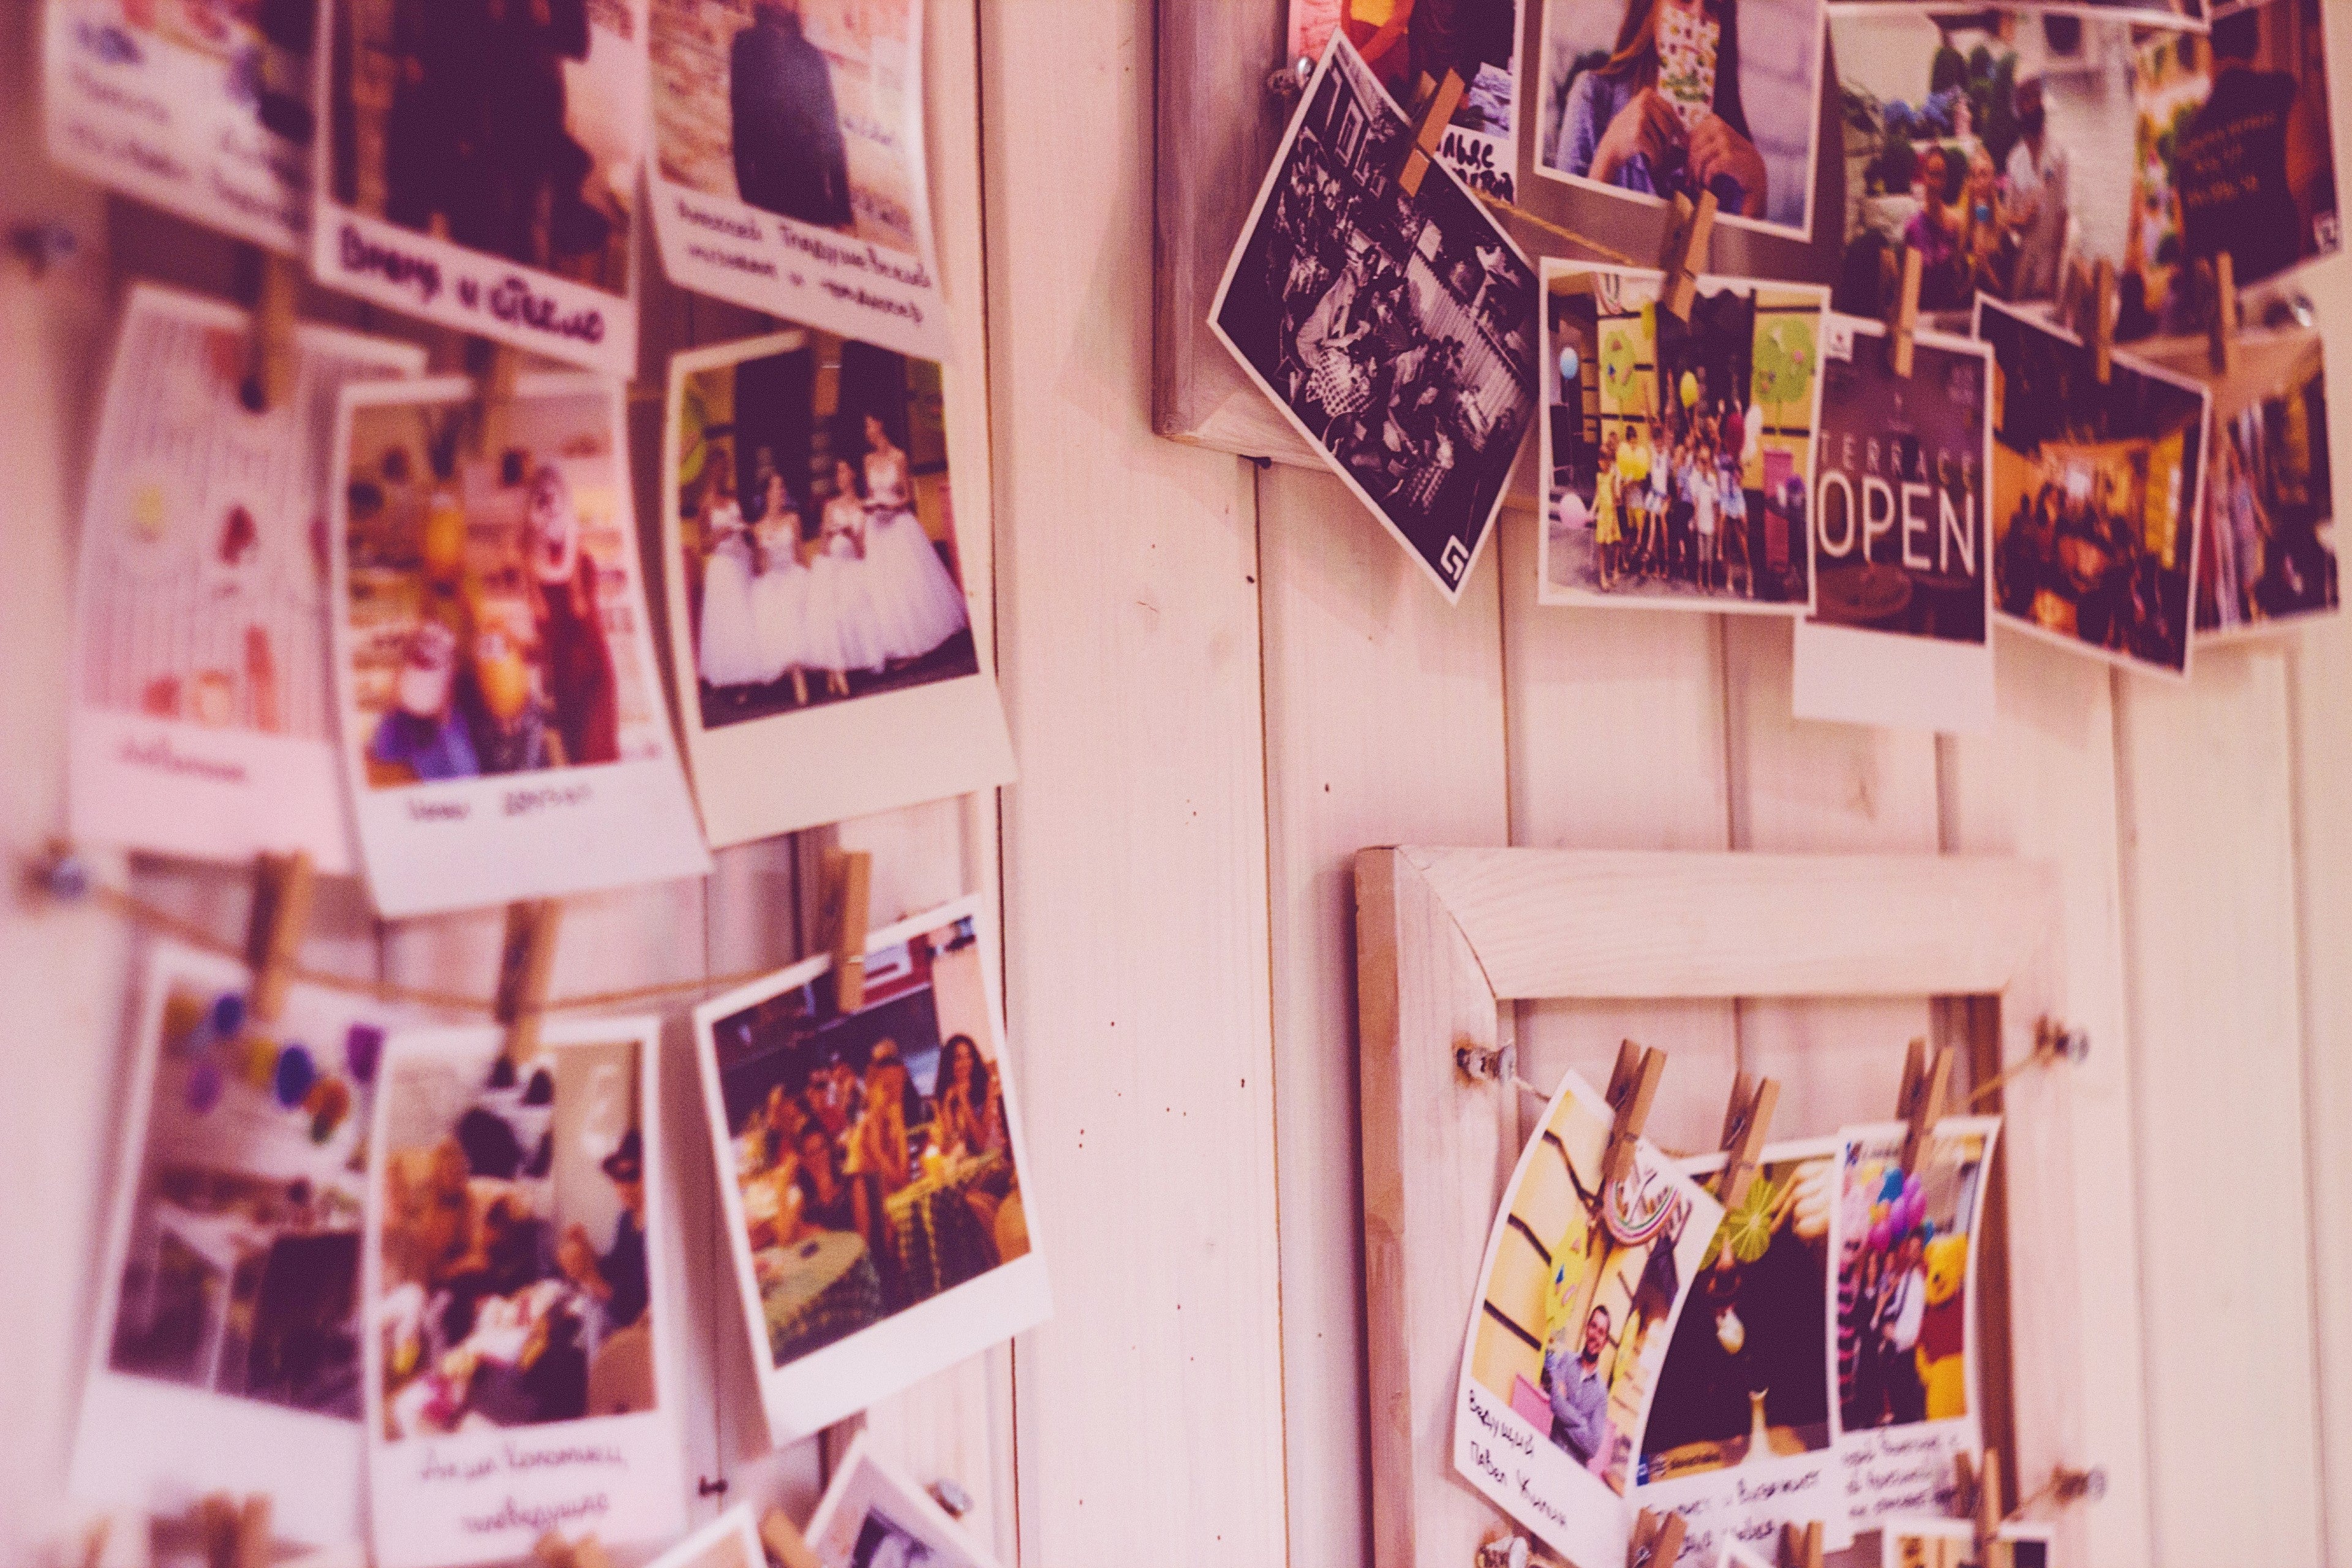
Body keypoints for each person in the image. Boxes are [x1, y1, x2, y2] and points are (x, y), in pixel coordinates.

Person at [1550, 0, 1770, 221]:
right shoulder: (1593, 98)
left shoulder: (1730, 151)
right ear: (1651, 9)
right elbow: (1562, 242)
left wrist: (1756, 194)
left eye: (1713, 6)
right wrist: (1609, 157)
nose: (1698, 15)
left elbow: (1727, 255)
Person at [525, 464, 619, 766]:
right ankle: (579, 756)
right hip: (555, 617)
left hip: (579, 612)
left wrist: (577, 589)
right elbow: (526, 552)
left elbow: (575, 544)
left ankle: (597, 754)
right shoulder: (531, 527)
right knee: (566, 686)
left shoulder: (568, 522)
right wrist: (534, 594)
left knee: (593, 677)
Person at [728, 0, 853, 228]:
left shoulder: (813, 58)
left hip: (812, 193)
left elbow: (830, 133)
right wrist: (747, 191)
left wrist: (842, 210)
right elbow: (741, 124)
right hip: (766, 189)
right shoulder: (745, 46)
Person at [859, 413, 970, 663]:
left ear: (880, 424)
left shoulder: (899, 457)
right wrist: (871, 507)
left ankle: (919, 643)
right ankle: (901, 646)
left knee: (907, 581)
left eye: (868, 425)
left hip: (898, 524)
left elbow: (909, 497)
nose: (867, 431)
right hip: (878, 528)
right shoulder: (868, 460)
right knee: (887, 587)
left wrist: (892, 506)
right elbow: (871, 493)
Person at [557, 1128, 650, 1335]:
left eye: (632, 1176)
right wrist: (587, 1252)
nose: (623, 1187)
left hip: (639, 1332)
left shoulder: (658, 1229)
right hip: (617, 1319)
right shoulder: (627, 1218)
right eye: (618, 1178)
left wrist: (592, 1280)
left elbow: (634, 1309)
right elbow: (617, 1266)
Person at [369, 620, 481, 783]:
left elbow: (467, 776)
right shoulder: (405, 719)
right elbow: (384, 751)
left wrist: (444, 721)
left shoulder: (460, 719)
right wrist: (394, 704)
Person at [807, 458, 883, 690]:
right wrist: (830, 536)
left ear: (853, 474)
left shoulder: (863, 506)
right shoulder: (830, 507)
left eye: (843, 471)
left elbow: (863, 552)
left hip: (855, 564)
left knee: (857, 602)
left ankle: (853, 664)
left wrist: (851, 536)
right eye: (837, 472)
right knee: (833, 605)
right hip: (834, 565)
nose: (839, 476)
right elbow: (823, 550)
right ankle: (837, 667)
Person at [696, 470, 766, 691]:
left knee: (746, 616)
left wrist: (746, 530)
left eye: (725, 468)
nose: (722, 475)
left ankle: (749, 675)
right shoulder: (705, 505)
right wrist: (718, 536)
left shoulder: (733, 498)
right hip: (723, 564)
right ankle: (729, 676)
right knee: (728, 621)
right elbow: (703, 545)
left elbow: (744, 526)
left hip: (741, 560)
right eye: (718, 468)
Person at [2001, 78, 2068, 301]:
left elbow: (2063, 215)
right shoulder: (2015, 159)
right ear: (2019, 107)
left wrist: (2053, 270)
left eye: (2037, 96)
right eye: (2027, 99)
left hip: (2051, 258)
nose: (2034, 104)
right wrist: (2021, 220)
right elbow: (2007, 216)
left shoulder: (2058, 154)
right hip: (2024, 257)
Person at [750, 475, 815, 705]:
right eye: (778, 487)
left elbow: (801, 556)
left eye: (783, 487)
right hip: (772, 581)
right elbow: (759, 569)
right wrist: (763, 554)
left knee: (797, 602)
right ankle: (794, 676)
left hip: (794, 576)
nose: (782, 491)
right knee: (776, 605)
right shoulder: (757, 529)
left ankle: (815, 672)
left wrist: (813, 583)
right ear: (768, 494)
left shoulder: (793, 520)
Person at [1545, 1303, 1613, 1463]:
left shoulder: (1601, 1393)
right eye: (1593, 1326)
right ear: (1586, 1328)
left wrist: (1565, 1412)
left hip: (1573, 1474)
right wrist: (1583, 1422)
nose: (1595, 1335)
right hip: (1549, 1456)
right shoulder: (1566, 1360)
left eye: (1601, 1332)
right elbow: (1555, 1403)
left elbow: (1592, 1446)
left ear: (1605, 1343)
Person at [934, 1035, 992, 1157]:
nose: (965, 1064)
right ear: (949, 1063)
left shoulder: (987, 1085)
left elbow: (981, 1142)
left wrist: (963, 1098)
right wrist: (946, 1106)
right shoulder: (947, 1094)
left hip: (994, 1155)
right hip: (969, 1162)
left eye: (968, 1056)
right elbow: (950, 1146)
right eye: (958, 1058)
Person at [1591, 437, 1622, 590]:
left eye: (1603, 460)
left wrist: (1618, 497)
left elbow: (1616, 496)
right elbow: (1598, 495)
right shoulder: (1598, 476)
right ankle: (1602, 577)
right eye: (1599, 460)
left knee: (1616, 542)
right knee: (1602, 546)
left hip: (1612, 515)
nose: (1600, 463)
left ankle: (1616, 569)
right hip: (1603, 516)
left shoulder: (1612, 476)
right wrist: (1592, 510)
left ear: (1608, 461)